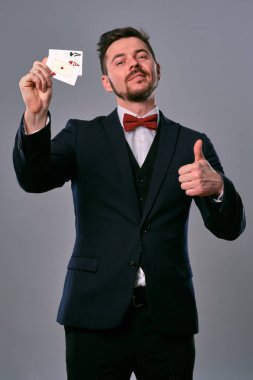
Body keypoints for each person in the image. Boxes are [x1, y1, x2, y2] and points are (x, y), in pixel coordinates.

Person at [13, 27, 245, 380]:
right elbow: (33, 179)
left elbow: (229, 229)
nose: (133, 64)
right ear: (107, 81)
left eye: (141, 56)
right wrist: (35, 117)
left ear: (157, 69)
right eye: (119, 61)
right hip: (93, 313)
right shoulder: (81, 135)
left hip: (169, 318)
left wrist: (218, 189)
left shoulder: (193, 143)